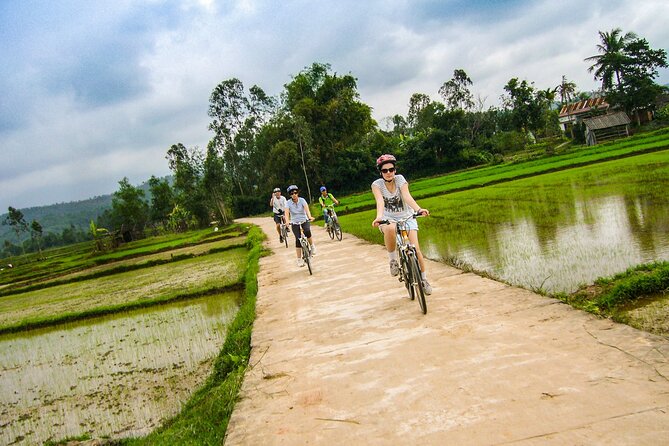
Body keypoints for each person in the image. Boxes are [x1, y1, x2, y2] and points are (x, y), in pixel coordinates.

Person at [371, 154, 432, 295]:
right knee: (391, 228)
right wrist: (379, 217)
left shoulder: (400, 180)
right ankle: (393, 261)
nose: (388, 173)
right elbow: (380, 201)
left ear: (395, 170)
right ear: (380, 172)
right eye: (385, 170)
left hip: (407, 216)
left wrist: (418, 209)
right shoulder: (377, 185)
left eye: (391, 169)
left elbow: (406, 196)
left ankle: (423, 280)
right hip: (388, 218)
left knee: (416, 249)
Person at [284, 184, 317, 267]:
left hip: (304, 220)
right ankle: (299, 259)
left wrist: (309, 217)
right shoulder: (288, 203)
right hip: (294, 223)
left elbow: (307, 209)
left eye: (295, 192)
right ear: (290, 195)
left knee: (307, 231)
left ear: (297, 193)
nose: (294, 194)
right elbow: (286, 213)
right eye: (292, 193)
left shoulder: (302, 200)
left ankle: (312, 246)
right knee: (298, 239)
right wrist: (287, 222)